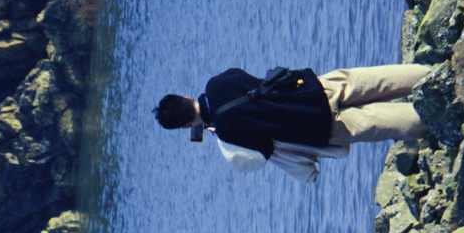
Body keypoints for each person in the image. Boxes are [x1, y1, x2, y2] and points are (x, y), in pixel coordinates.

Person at [154, 63, 430, 183]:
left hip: (313, 128)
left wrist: (221, 134)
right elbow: (248, 81)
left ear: (186, 126)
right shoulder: (216, 82)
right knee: (376, 81)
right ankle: (428, 76)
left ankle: (429, 118)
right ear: (185, 96)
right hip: (312, 89)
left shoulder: (226, 134)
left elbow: (259, 156)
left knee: (376, 122)